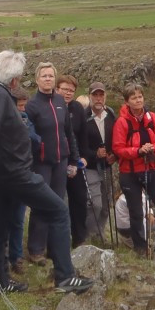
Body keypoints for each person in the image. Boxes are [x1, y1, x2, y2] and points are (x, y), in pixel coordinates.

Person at [0, 50, 93, 295]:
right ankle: (65, 277)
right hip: (13, 173)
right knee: (58, 210)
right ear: (14, 80)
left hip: (0, 173)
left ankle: (0, 280)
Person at [112, 83, 155, 259]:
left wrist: (153, 148)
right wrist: (138, 151)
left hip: (152, 169)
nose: (138, 100)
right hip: (129, 173)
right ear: (127, 102)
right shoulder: (122, 122)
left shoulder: (152, 118)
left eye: (140, 96)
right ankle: (140, 249)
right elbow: (118, 148)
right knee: (136, 213)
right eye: (134, 98)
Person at [25, 62, 79, 265]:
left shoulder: (59, 101)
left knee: (58, 204)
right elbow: (28, 137)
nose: (48, 79)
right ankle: (36, 249)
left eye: (50, 76)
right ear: (37, 79)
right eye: (44, 76)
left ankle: (55, 248)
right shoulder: (32, 105)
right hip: (41, 163)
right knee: (41, 204)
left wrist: (73, 159)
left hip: (60, 161)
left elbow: (68, 132)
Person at [7, 87, 41, 274]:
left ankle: (17, 257)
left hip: (23, 172)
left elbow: (36, 141)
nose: (22, 109)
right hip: (5, 176)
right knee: (4, 219)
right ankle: (3, 258)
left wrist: (25, 128)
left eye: (24, 106)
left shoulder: (26, 119)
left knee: (19, 219)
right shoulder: (2, 121)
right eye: (19, 106)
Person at [80, 82, 117, 243]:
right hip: (90, 167)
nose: (98, 98)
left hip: (107, 166)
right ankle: (89, 235)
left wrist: (114, 154)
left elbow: (116, 139)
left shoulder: (111, 114)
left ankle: (99, 234)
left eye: (101, 95)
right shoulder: (83, 116)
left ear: (105, 96)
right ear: (90, 96)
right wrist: (95, 154)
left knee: (106, 204)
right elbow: (80, 145)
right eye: (95, 95)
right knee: (95, 204)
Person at [56, 74, 88, 247]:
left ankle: (79, 238)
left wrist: (83, 157)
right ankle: (56, 241)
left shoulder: (77, 108)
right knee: (58, 201)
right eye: (65, 89)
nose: (68, 93)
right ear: (57, 89)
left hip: (75, 161)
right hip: (56, 161)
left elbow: (83, 136)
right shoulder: (52, 105)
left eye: (71, 90)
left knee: (80, 199)